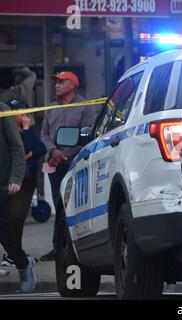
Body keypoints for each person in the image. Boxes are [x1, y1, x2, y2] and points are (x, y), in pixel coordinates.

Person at [40, 71, 96, 261]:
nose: (56, 86)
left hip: (75, 164)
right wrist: (53, 151)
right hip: (54, 163)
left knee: (75, 205)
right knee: (59, 205)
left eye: (61, 82)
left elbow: (87, 135)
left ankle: (75, 247)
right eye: (56, 82)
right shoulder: (51, 107)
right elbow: (44, 134)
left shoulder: (85, 107)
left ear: (72, 85)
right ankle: (57, 247)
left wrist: (65, 154)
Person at [1, 97, 46, 267]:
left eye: (18, 112)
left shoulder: (26, 129)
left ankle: (16, 255)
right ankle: (15, 255)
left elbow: (37, 148)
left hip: (25, 179)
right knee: (11, 219)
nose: (16, 115)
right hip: (12, 178)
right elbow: (23, 147)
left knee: (17, 217)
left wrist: (27, 130)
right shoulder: (8, 125)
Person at [0, 100, 37, 292]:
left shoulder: (3, 111)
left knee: (3, 229)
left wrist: (16, 177)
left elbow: (16, 147)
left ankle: (23, 263)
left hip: (2, 181)